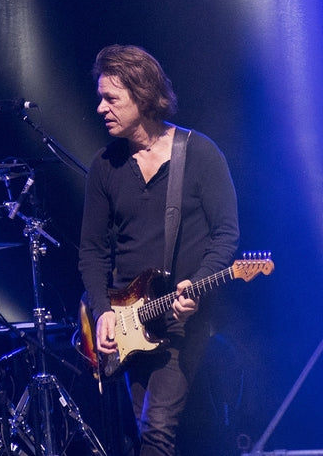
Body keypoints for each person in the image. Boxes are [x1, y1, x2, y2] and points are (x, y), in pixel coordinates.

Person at [78, 45, 240, 455]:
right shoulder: (105, 165)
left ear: (143, 95)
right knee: (142, 432)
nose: (100, 108)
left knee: (157, 428)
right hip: (127, 321)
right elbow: (92, 251)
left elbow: (226, 235)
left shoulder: (200, 153)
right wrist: (103, 311)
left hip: (181, 321)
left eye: (111, 98)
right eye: (100, 98)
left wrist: (197, 285)